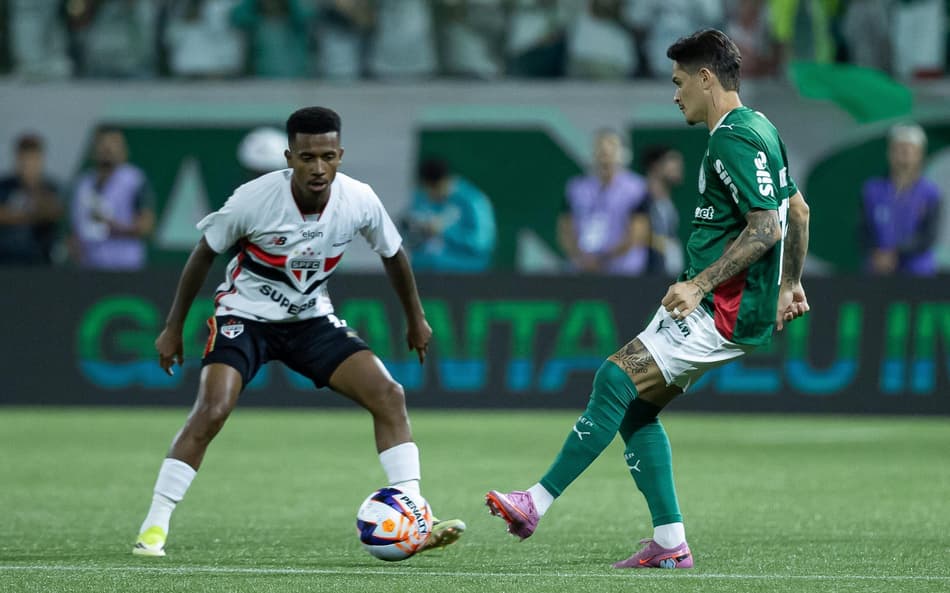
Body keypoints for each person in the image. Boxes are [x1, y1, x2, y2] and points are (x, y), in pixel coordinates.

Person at [485, 29, 811, 569]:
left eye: (680, 82)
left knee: (615, 378)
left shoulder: (733, 137)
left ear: (707, 78)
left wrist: (700, 284)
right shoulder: (762, 128)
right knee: (636, 409)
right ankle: (669, 541)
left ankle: (534, 502)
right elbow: (797, 211)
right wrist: (790, 284)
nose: (675, 93)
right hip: (734, 303)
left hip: (719, 306)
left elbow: (766, 227)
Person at [132, 106, 465, 557]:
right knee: (213, 409)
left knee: (389, 394)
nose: (318, 167)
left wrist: (416, 317)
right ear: (290, 157)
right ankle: (155, 525)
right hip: (244, 318)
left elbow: (394, 254)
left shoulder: (359, 199)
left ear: (340, 155)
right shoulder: (253, 199)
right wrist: (173, 329)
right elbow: (203, 254)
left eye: (327, 156)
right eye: (307, 157)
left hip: (309, 319)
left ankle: (415, 515)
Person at [557, 129, 650, 275]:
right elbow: (565, 227)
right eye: (600, 149)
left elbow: (638, 232)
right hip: (582, 269)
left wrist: (603, 259)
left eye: (611, 148)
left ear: (623, 154)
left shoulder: (637, 188)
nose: (605, 155)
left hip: (623, 272)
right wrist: (580, 257)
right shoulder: (576, 188)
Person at [69, 125, 155, 270]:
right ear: (93, 150)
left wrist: (109, 225)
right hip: (90, 269)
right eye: (102, 143)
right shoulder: (83, 184)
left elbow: (146, 226)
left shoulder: (134, 181)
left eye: (113, 143)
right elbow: (75, 230)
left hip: (125, 267)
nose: (107, 149)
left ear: (124, 150)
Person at [861, 123, 942, 276]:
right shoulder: (872, 189)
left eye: (909, 149)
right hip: (877, 272)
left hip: (918, 274)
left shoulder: (931, 193)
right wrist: (877, 254)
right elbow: (863, 229)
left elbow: (928, 235)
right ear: (889, 152)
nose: (903, 154)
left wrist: (896, 254)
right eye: (898, 148)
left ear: (920, 154)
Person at [400, 158, 496, 272]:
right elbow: (405, 234)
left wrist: (444, 231)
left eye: (434, 188)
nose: (430, 193)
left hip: (465, 273)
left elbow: (482, 244)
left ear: (445, 181)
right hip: (424, 271)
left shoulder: (472, 201)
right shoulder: (421, 198)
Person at [0, 133, 64, 264]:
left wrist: (31, 186)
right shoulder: (5, 186)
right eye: (23, 159)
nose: (27, 164)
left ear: (41, 160)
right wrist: (32, 214)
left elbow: (52, 211)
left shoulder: (50, 187)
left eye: (32, 159)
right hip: (6, 260)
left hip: (38, 260)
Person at [641, 145, 685, 276]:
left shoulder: (667, 203)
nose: (679, 167)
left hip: (666, 276)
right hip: (644, 278)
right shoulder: (639, 200)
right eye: (672, 161)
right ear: (656, 165)